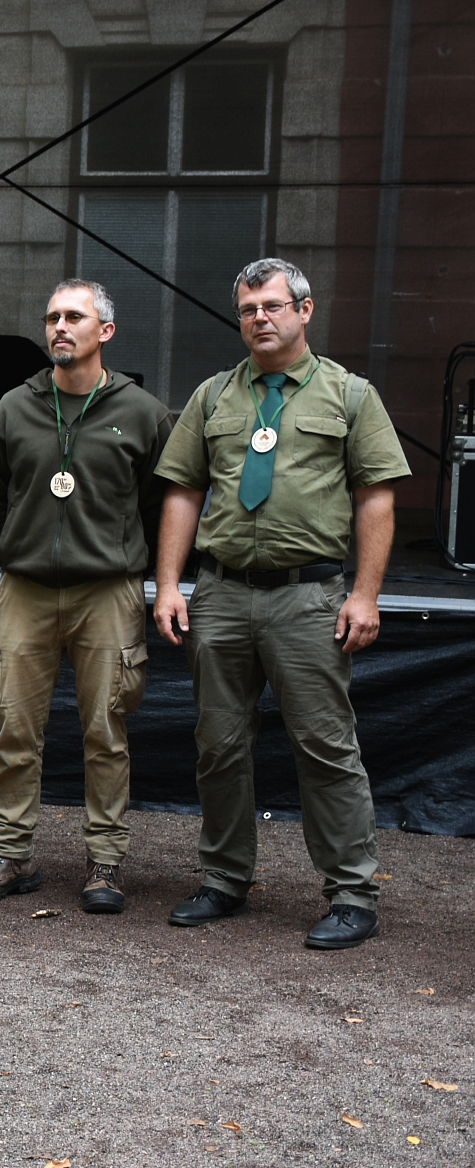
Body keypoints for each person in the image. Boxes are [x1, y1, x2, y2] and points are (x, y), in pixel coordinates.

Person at [153, 258, 408, 951]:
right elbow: (183, 491)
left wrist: (366, 594)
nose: (259, 318)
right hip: (222, 594)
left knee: (325, 746)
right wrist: (170, 584)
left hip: (309, 597)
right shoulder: (213, 396)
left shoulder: (349, 396)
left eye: (271, 305)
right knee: (219, 745)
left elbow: (376, 498)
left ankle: (352, 894)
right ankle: (223, 879)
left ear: (304, 310)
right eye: (247, 309)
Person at [0, 280, 172, 913]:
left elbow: (159, 504)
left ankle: (105, 863)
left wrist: (131, 565)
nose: (59, 326)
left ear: (105, 331)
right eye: (52, 316)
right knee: (15, 728)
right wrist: (25, 547)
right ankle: (11, 855)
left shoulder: (144, 413)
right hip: (25, 589)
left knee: (106, 731)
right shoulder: (14, 407)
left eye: (74, 316)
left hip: (108, 591)